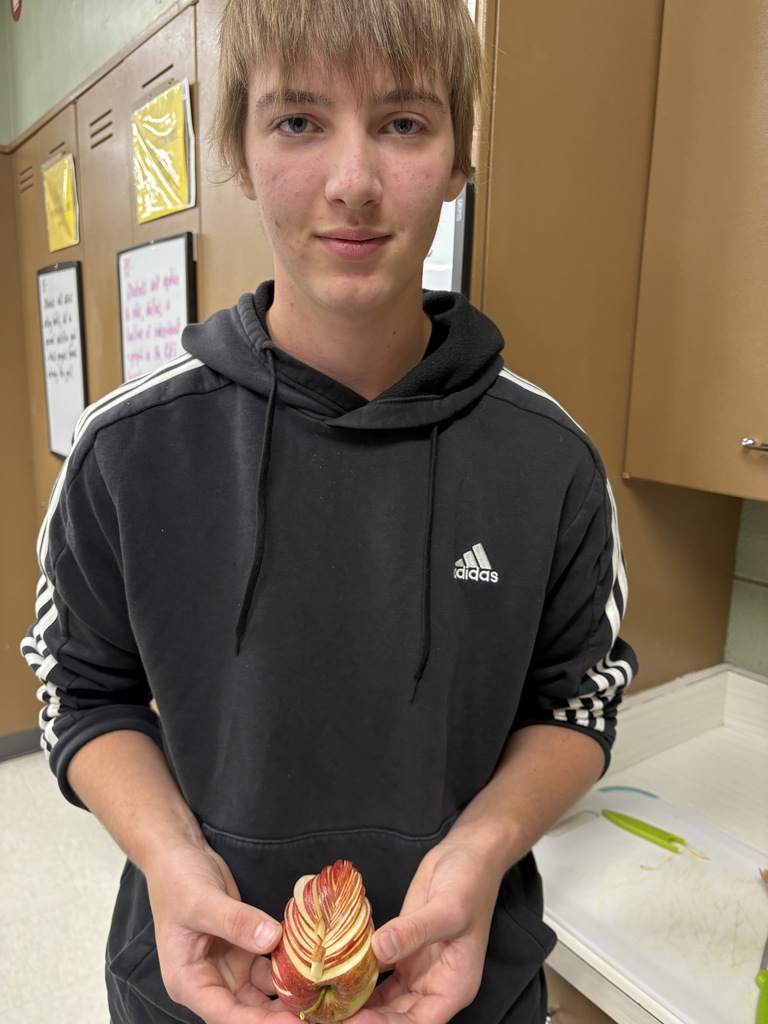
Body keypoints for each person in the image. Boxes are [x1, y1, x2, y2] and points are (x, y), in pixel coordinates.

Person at [20, 1, 637, 1022]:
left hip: (463, 987)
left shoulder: (551, 463)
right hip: (201, 983)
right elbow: (80, 694)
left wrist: (479, 853)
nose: (353, 183)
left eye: (402, 123)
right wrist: (172, 858)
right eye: (299, 121)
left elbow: (580, 700)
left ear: (456, 161)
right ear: (240, 150)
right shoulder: (125, 451)